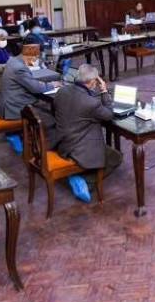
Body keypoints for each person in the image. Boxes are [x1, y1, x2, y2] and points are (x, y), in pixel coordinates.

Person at [53, 65, 124, 202]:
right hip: (79, 148)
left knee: (106, 151)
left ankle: (82, 174)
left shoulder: (62, 91)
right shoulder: (90, 103)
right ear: (92, 82)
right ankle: (85, 180)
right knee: (116, 157)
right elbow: (108, 115)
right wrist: (104, 91)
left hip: (62, 143)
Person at [0, 44, 58, 152]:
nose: (37, 61)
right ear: (32, 57)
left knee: (43, 110)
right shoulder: (19, 68)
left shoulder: (12, 61)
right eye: (37, 58)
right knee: (51, 120)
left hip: (7, 103)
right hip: (13, 108)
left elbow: (26, 82)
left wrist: (34, 83)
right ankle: (43, 149)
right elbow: (36, 88)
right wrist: (52, 85)